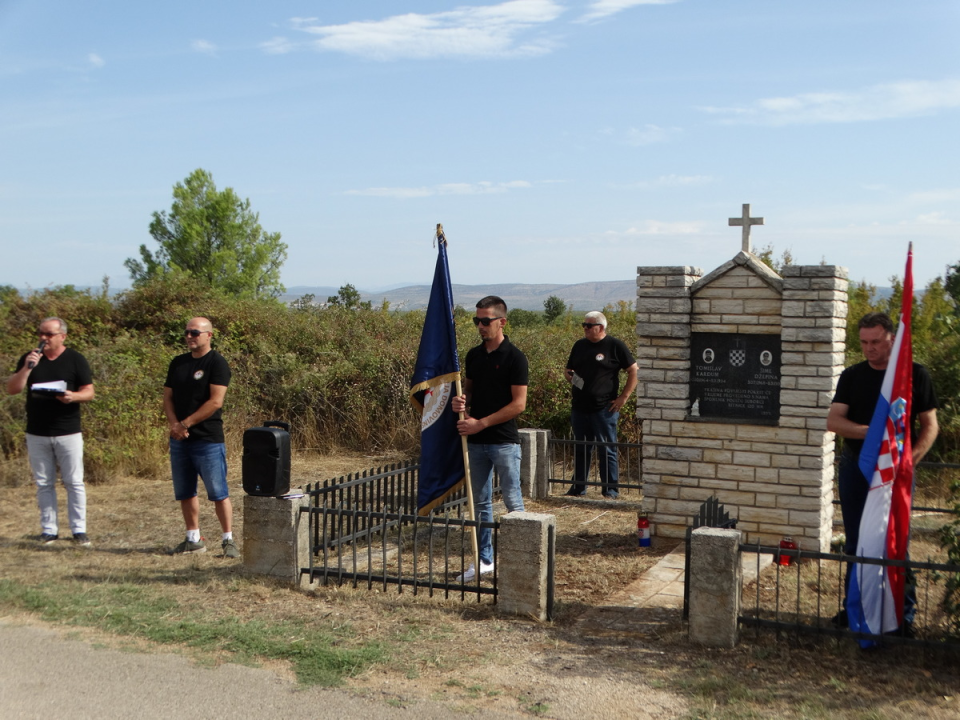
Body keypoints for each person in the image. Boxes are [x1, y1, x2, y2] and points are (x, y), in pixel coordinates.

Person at [826, 311, 938, 631]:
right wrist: (875, 432)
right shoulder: (852, 375)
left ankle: (903, 616)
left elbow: (930, 426)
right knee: (856, 542)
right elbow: (834, 422)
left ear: (892, 338)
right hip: (856, 467)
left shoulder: (915, 374)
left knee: (896, 541)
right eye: (863, 342)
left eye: (876, 341)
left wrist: (909, 461)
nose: (869, 348)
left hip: (897, 472)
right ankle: (855, 610)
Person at [451, 296, 528, 582]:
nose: (480, 326)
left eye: (486, 321)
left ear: (502, 322)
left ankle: (521, 558)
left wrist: (480, 423)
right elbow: (469, 391)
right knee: (479, 503)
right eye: (477, 321)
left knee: (512, 500)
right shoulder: (474, 355)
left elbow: (519, 404)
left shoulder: (515, 357)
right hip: (475, 440)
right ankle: (484, 561)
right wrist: (460, 403)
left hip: (503, 441)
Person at [6, 317, 95, 546]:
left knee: (74, 482)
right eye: (41, 334)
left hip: (68, 431)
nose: (43, 339)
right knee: (44, 482)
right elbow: (12, 389)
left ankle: (79, 530)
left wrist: (72, 396)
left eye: (49, 334)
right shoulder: (30, 358)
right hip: (37, 431)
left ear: (62, 336)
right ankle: (49, 530)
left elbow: (89, 392)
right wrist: (27, 368)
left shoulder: (75, 359)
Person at [163, 317, 239, 558]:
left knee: (218, 491)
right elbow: (168, 398)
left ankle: (228, 540)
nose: (189, 336)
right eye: (186, 332)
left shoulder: (216, 363)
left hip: (207, 438)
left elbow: (215, 401)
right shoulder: (178, 363)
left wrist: (186, 423)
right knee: (185, 491)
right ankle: (193, 538)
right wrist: (175, 425)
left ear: (209, 335)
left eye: (195, 332)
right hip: (179, 438)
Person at [564, 311, 638, 498]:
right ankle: (578, 488)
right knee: (581, 448)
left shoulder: (615, 346)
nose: (585, 329)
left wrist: (624, 397)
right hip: (580, 407)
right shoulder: (579, 345)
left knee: (607, 449)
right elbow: (568, 369)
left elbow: (633, 371)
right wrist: (572, 378)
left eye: (589, 326)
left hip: (605, 408)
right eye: (584, 325)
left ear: (601, 327)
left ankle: (610, 490)